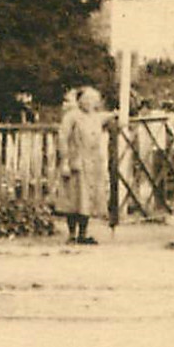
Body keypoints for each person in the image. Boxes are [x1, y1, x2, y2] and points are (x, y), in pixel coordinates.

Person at [56, 85, 109, 244]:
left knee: (87, 200)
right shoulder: (72, 116)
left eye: (94, 100)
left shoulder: (95, 117)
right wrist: (64, 162)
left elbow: (112, 117)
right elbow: (63, 138)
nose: (90, 103)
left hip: (92, 163)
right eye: (87, 99)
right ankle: (72, 234)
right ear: (79, 100)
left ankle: (83, 234)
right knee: (74, 199)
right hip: (75, 162)